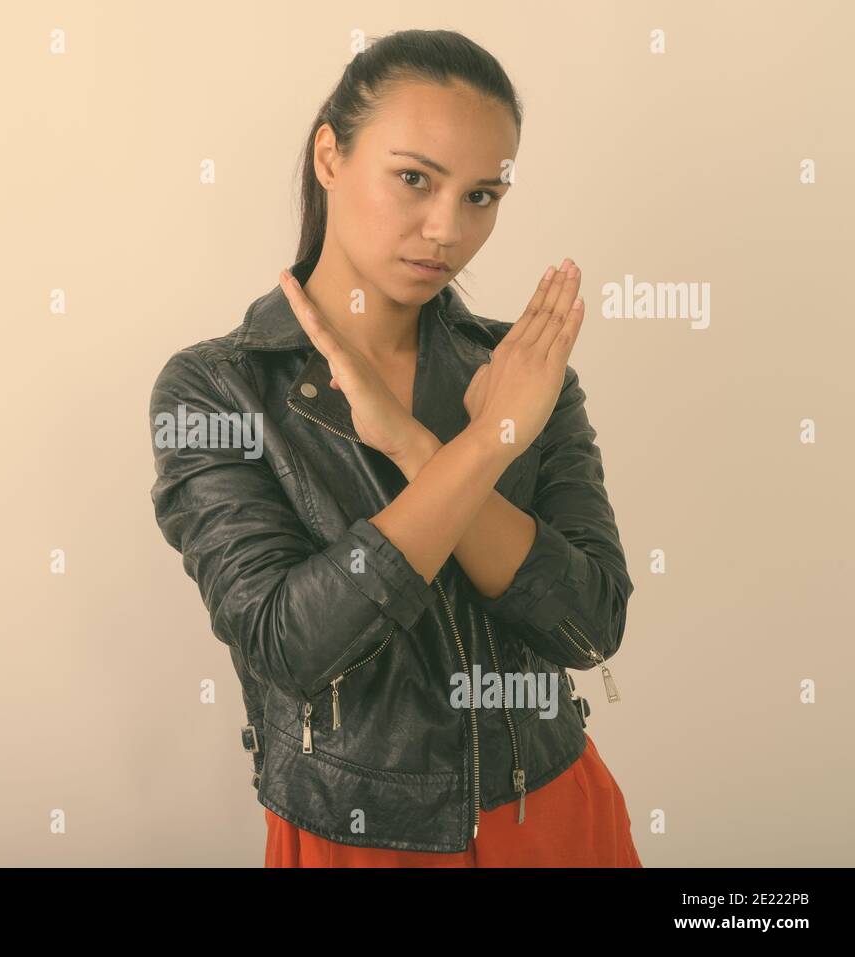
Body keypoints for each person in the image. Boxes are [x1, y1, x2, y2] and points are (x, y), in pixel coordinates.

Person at [149, 29, 640, 867]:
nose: (446, 228)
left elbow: (589, 627)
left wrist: (425, 446)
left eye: (482, 195)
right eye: (414, 178)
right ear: (330, 156)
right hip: (357, 836)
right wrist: (486, 443)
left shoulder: (517, 370)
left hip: (555, 814)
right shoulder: (219, 389)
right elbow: (289, 646)